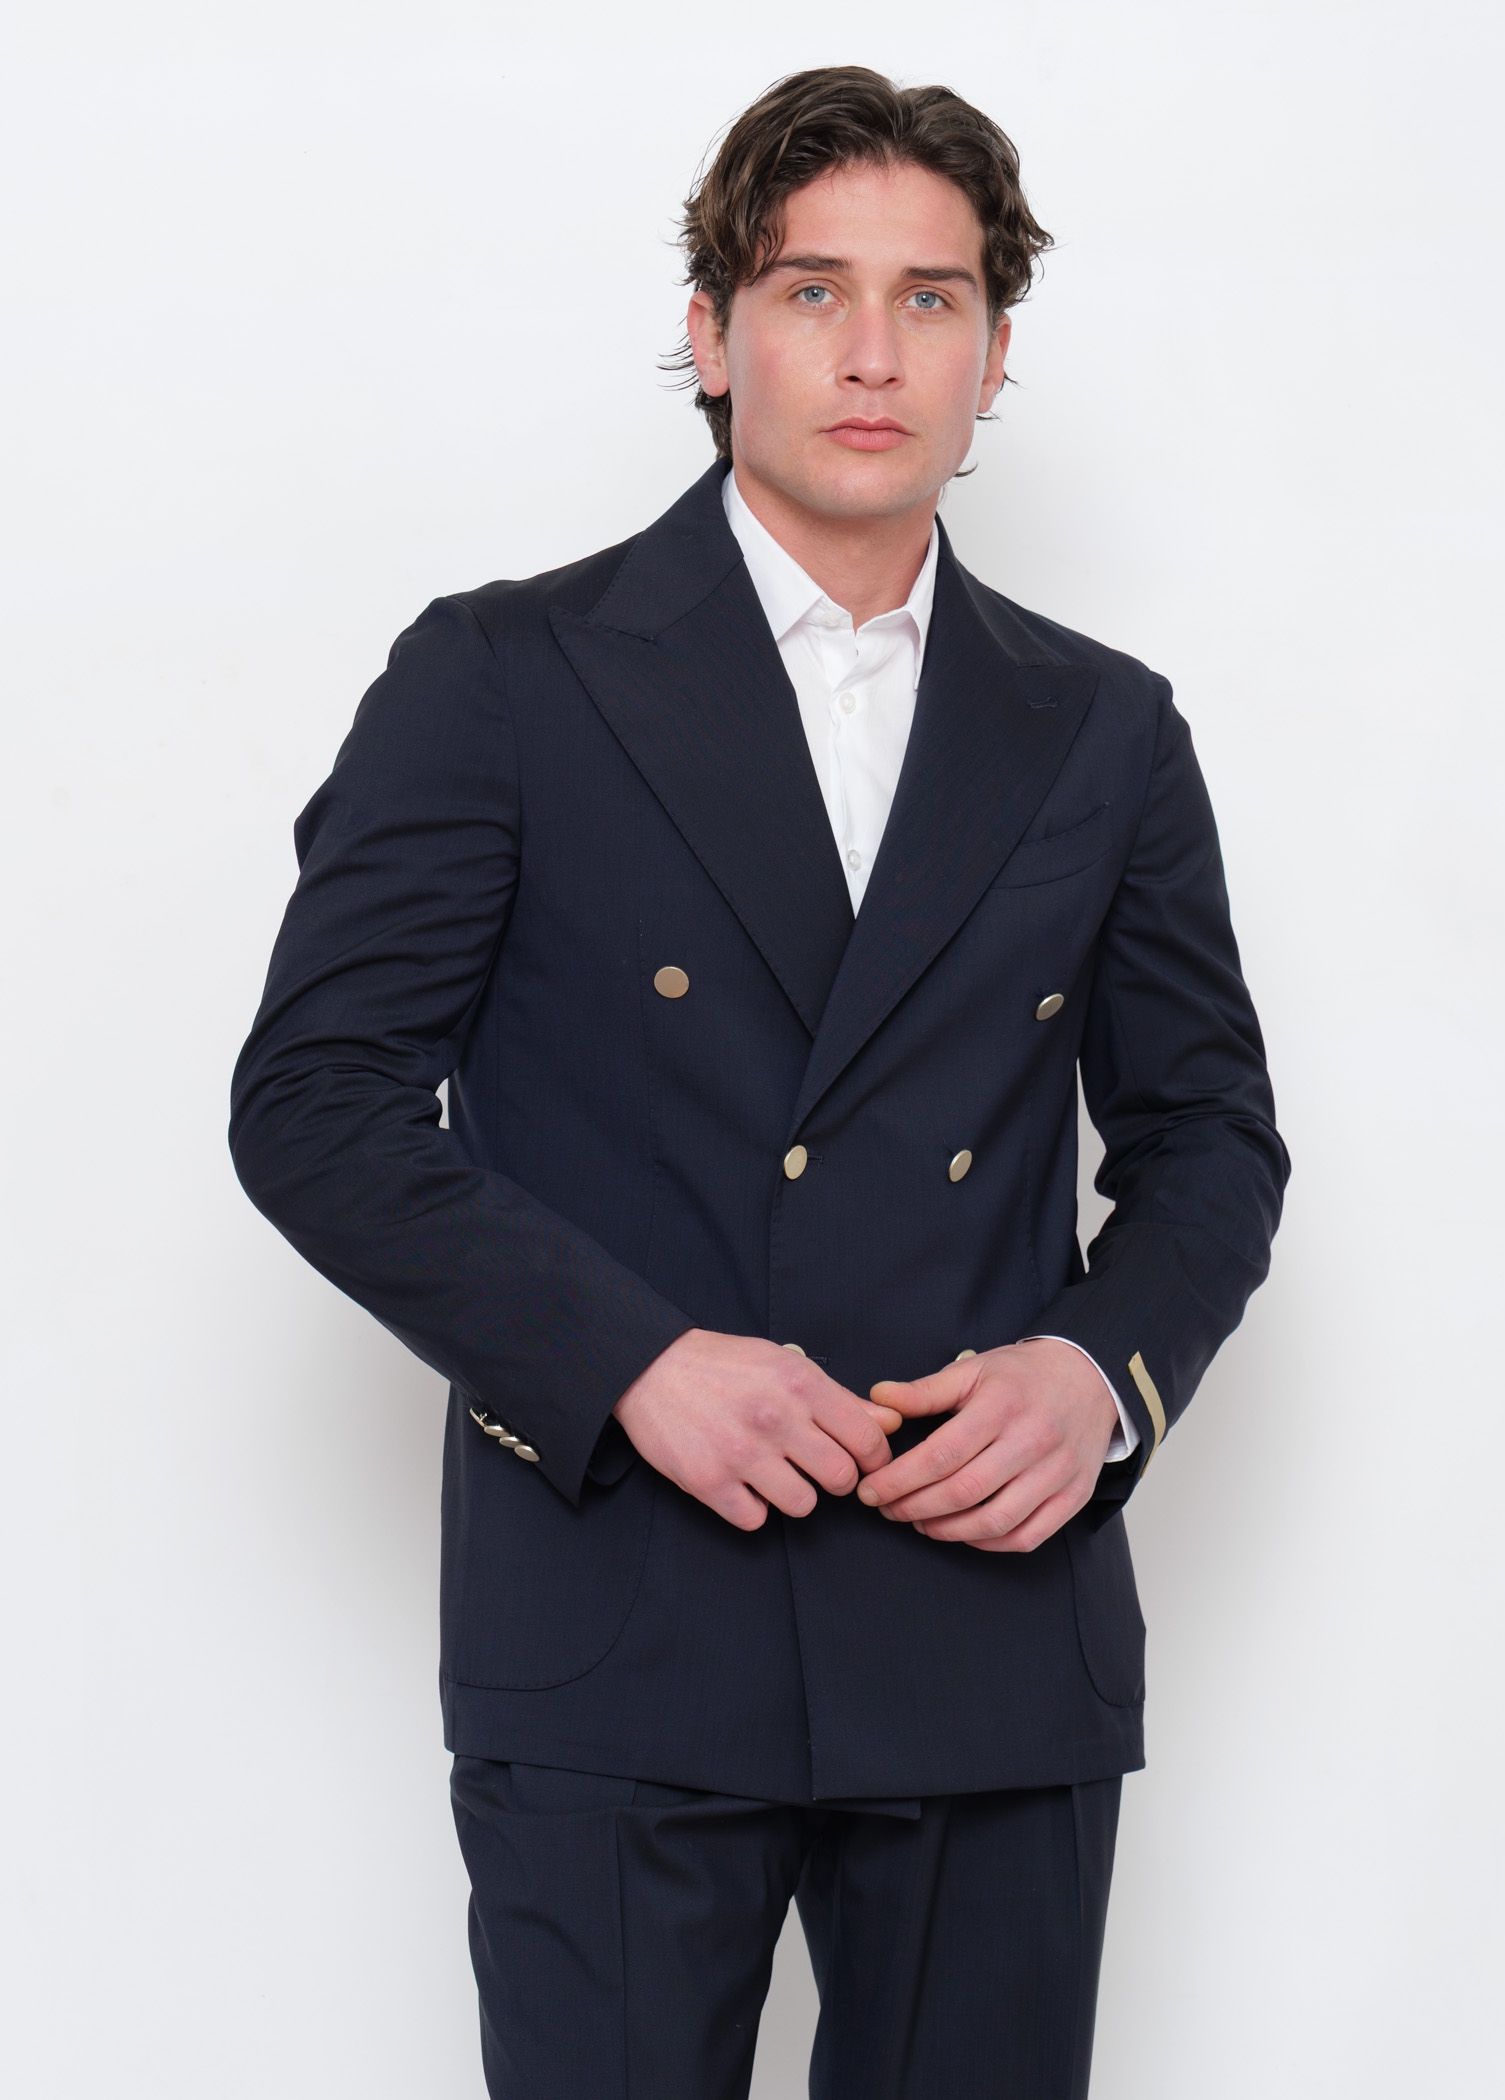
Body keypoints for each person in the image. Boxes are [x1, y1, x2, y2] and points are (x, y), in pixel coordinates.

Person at [231, 64, 1287, 2100]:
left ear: (992, 358)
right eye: (812, 292)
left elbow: (1207, 1136)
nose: (872, 353)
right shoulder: (503, 677)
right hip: (623, 1607)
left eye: (930, 298)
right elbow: (319, 1099)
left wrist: (1099, 1377)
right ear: (712, 338)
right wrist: (627, 1360)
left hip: (985, 1619)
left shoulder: (1104, 728)